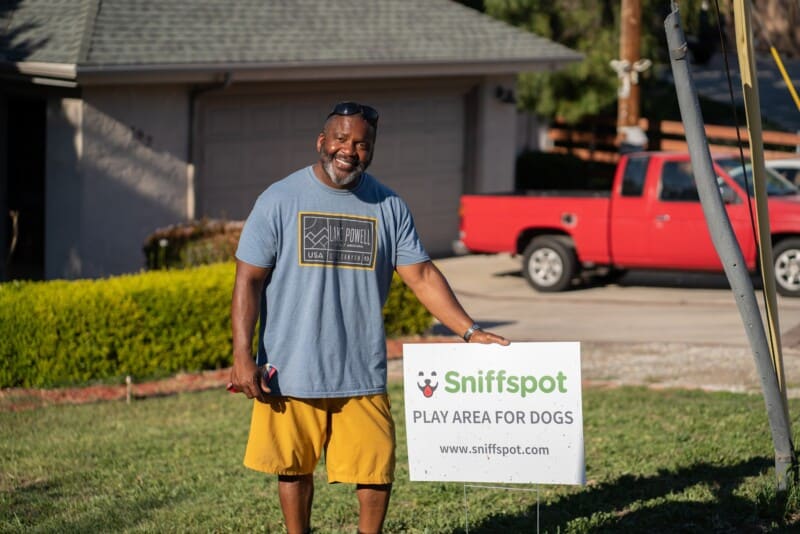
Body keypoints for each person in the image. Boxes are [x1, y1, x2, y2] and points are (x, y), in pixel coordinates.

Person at [229, 101, 510, 534]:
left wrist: (469, 332)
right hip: (289, 365)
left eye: (362, 143)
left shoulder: (388, 204)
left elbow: (421, 274)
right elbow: (248, 280)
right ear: (322, 142)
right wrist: (242, 356)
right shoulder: (279, 199)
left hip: (360, 367)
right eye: (341, 139)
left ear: (372, 149)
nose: (350, 150)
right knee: (293, 467)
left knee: (376, 468)